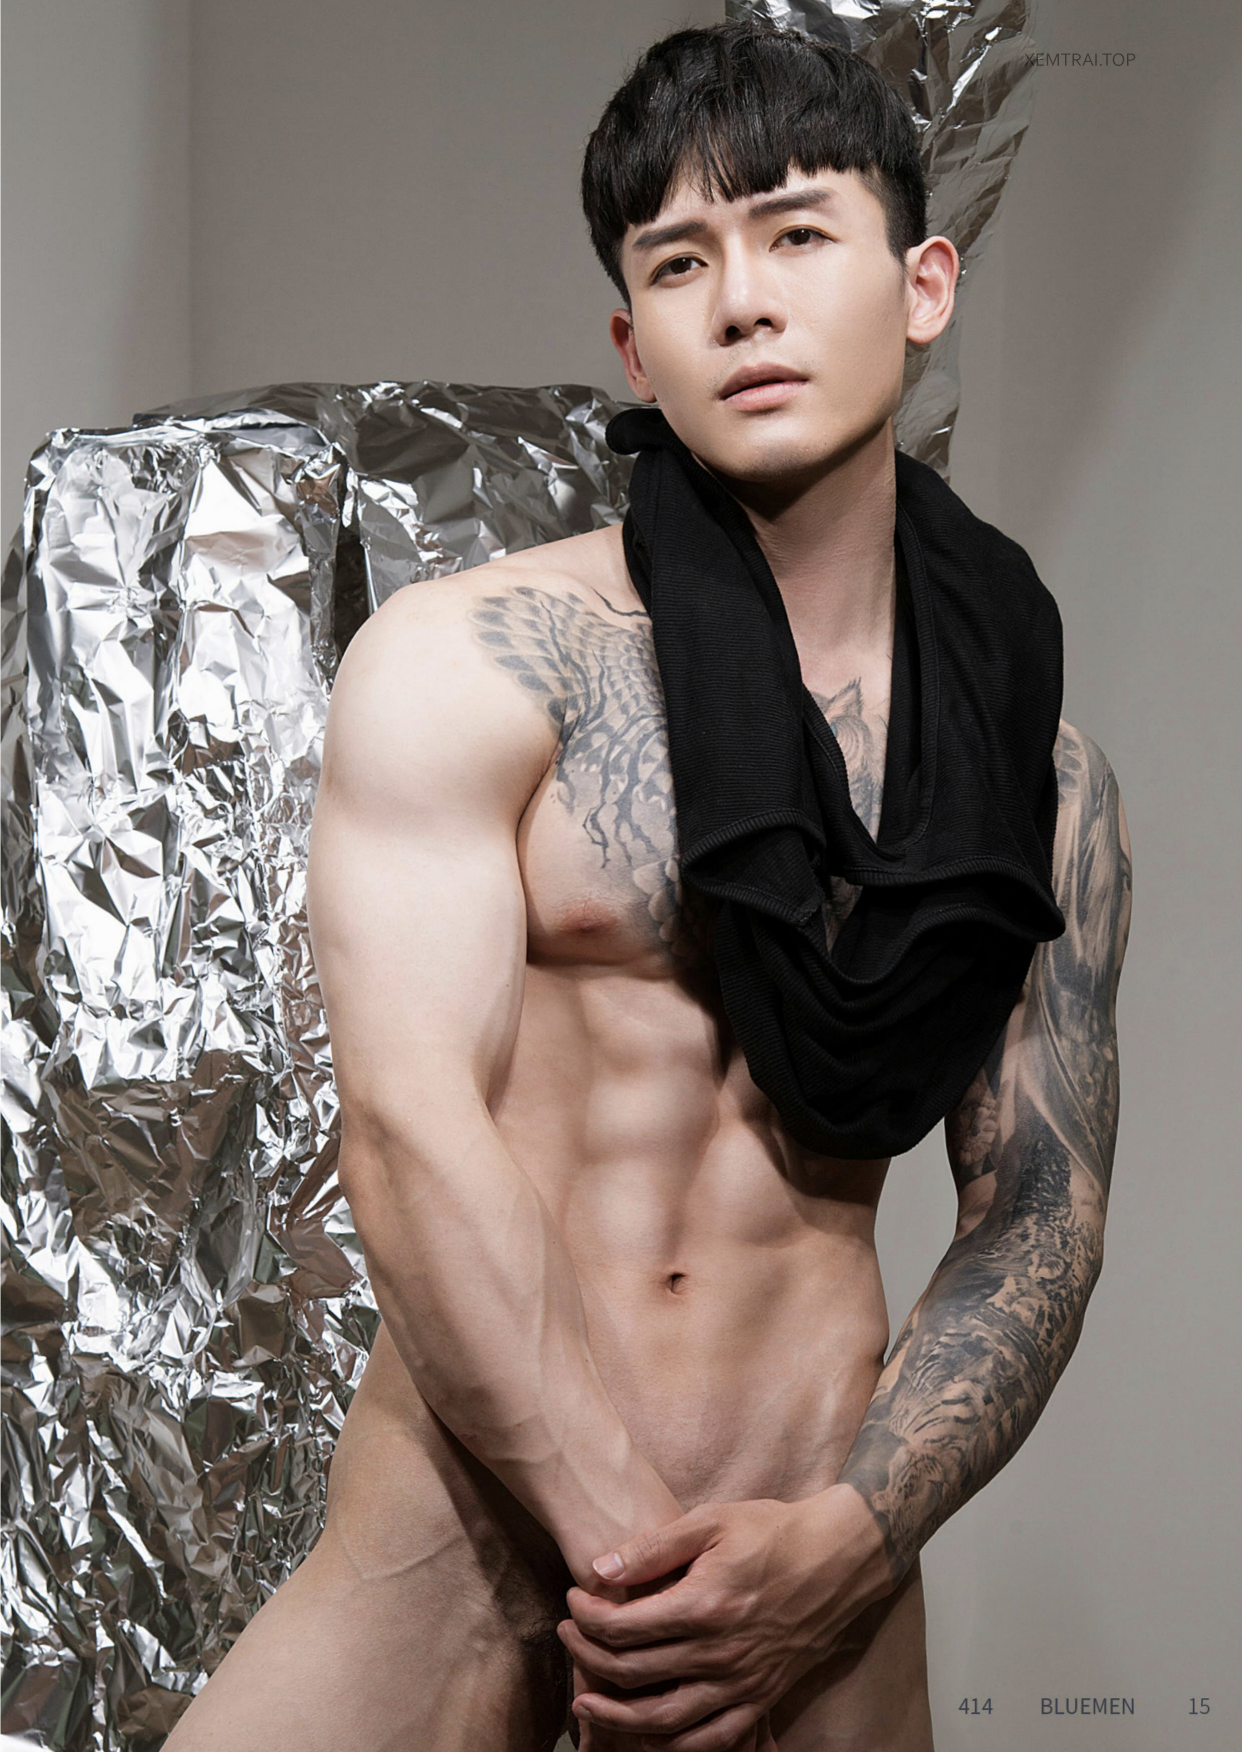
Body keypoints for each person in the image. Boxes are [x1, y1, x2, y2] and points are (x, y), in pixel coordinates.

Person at [165, 20, 1132, 1752]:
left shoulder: (1034, 779)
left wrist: (849, 1545)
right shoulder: (474, 665)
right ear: (633, 341)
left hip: (804, 1557)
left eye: (796, 235)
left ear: (922, 285)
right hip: (460, 1542)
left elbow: (1035, 1212)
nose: (741, 303)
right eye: (678, 264)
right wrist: (637, 1578)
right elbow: (406, 1125)